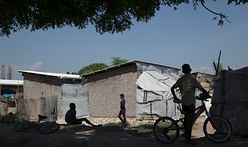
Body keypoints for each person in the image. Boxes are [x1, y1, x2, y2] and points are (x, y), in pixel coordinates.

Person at [171, 64, 207, 144]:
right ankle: (188, 140)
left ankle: (186, 136)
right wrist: (207, 93)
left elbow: (172, 88)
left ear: (183, 71)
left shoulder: (181, 79)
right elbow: (201, 88)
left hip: (184, 103)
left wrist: (176, 97)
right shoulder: (192, 79)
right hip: (190, 103)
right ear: (190, 70)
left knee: (188, 121)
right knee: (189, 122)